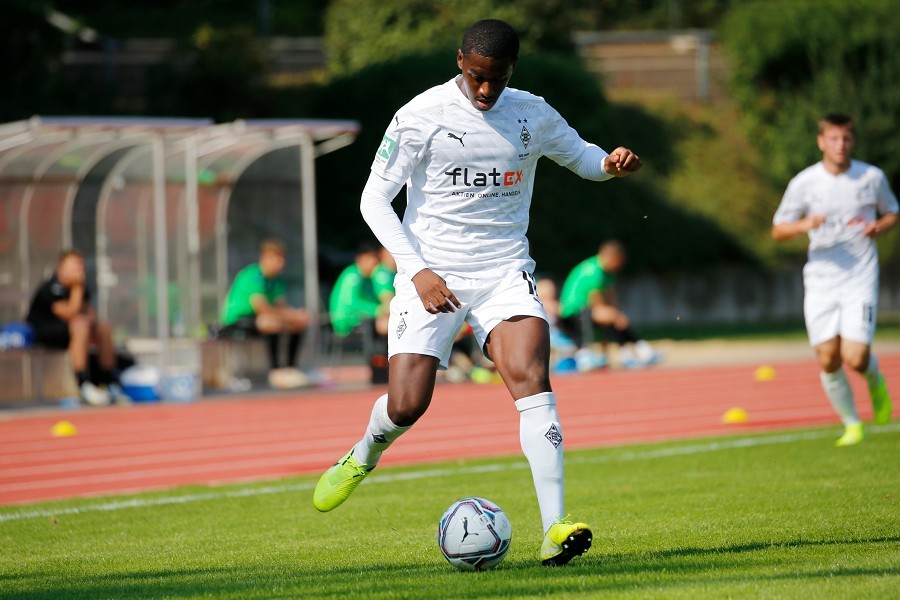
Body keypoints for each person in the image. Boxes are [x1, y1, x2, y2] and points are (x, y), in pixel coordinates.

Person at [312, 19, 642, 567]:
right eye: (476, 77)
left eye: (497, 78)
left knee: (532, 378)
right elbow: (374, 199)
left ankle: (554, 527)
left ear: (512, 70)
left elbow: (583, 158)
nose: (485, 90)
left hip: (504, 270)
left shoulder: (531, 112)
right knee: (406, 405)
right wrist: (416, 270)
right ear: (460, 60)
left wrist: (609, 164)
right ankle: (362, 454)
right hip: (431, 273)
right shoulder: (421, 116)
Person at [772, 112, 897, 446]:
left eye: (846, 139)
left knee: (855, 358)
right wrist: (804, 225)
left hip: (860, 277)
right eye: (833, 138)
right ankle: (852, 423)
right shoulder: (805, 183)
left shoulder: (871, 177)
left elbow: (892, 212)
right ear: (821, 141)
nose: (840, 145)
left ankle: (874, 381)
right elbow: (778, 229)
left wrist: (880, 226)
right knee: (828, 358)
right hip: (821, 280)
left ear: (852, 141)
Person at [26, 249, 126, 406]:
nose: (78, 271)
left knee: (103, 328)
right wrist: (77, 288)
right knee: (81, 327)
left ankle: (109, 382)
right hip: (45, 331)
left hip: (70, 330)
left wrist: (91, 320)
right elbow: (70, 313)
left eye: (80, 268)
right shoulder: (50, 288)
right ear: (61, 269)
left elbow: (90, 315)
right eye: (73, 268)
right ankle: (82, 384)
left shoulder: (82, 289)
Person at [219, 238, 310, 389]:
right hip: (239, 320)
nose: (280, 263)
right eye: (276, 258)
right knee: (269, 322)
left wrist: (296, 316)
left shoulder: (277, 281)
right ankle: (275, 371)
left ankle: (290, 368)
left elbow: (281, 306)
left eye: (282, 258)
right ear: (264, 259)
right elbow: (263, 309)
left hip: (260, 319)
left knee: (297, 323)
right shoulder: (253, 276)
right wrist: (291, 315)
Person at [558, 240, 661, 369]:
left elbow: (611, 295)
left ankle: (629, 353)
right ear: (610, 257)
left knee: (614, 317)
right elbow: (595, 300)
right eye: (619, 261)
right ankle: (639, 351)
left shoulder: (609, 272)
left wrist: (617, 313)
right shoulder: (594, 271)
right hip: (573, 311)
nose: (620, 265)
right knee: (612, 317)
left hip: (587, 309)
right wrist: (615, 315)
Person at [329, 243, 391, 384]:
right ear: (360, 259)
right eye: (370, 259)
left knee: (380, 324)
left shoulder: (367, 278)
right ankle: (378, 369)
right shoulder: (353, 275)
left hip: (360, 319)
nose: (374, 263)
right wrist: (378, 310)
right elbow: (352, 303)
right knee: (374, 326)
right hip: (344, 321)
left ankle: (382, 367)